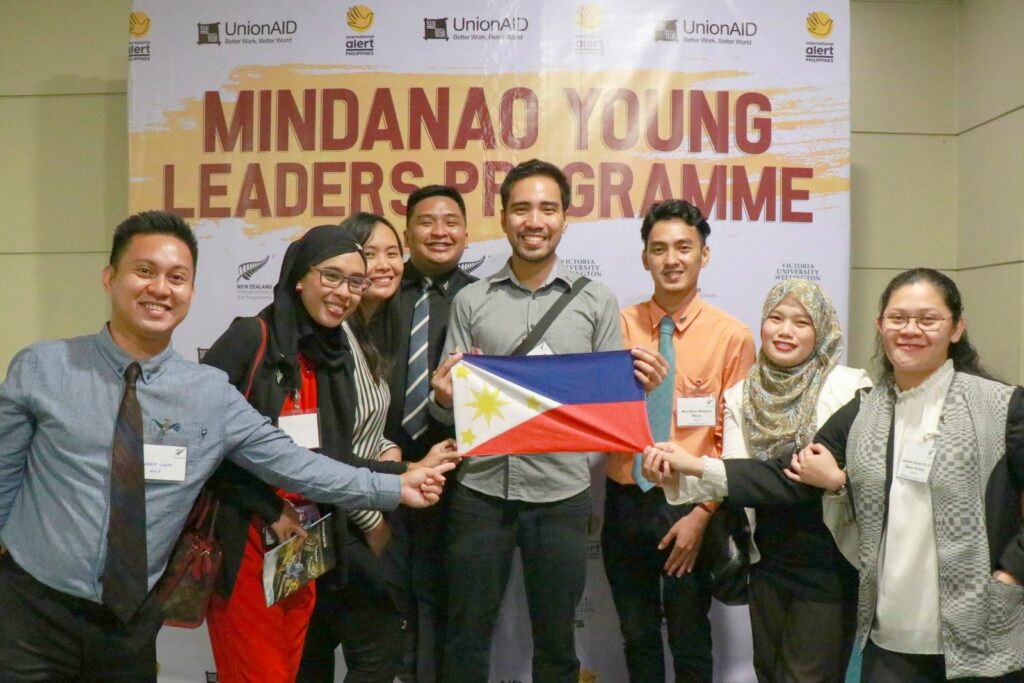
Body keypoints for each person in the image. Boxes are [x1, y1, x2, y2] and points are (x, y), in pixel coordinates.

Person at [0, 211, 453, 682]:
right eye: (144, 271)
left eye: (177, 277)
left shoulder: (209, 393)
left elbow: (296, 463)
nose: (161, 288)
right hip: (32, 610)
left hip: (130, 621)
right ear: (110, 277)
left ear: (192, 292)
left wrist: (395, 485)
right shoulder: (43, 368)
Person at [645, 268, 1024, 682]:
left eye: (928, 319)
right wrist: (693, 465)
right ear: (880, 326)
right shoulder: (866, 408)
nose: (910, 330)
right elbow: (787, 474)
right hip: (891, 630)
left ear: (956, 328)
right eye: (897, 318)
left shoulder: (1001, 407)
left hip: (978, 628)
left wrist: (1011, 571)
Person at [430, 159, 667, 683]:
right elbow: (447, 410)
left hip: (561, 495)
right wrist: (445, 399)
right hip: (480, 492)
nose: (533, 220)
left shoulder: (595, 300)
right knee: (466, 638)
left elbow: (606, 403)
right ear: (504, 217)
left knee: (558, 643)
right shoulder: (471, 300)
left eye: (547, 208)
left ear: (564, 218)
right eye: (521, 209)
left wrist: (637, 387)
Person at [203, 222, 456, 682]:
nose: (344, 292)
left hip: (305, 550)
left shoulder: (335, 354)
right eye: (332, 277)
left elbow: (332, 463)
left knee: (293, 670)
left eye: (355, 282)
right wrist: (268, 504)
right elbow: (198, 444)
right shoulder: (250, 339)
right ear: (300, 276)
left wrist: (406, 473)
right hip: (248, 541)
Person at [659, 278, 870, 682]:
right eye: (775, 318)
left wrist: (837, 478)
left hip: (828, 563)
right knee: (769, 673)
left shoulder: (850, 389)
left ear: (821, 332)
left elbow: (798, 476)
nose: (785, 331)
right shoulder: (742, 393)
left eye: (801, 322)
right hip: (767, 560)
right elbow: (741, 476)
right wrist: (673, 472)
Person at [298, 213, 460, 682]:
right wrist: (375, 523)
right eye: (370, 255)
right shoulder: (329, 337)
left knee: (371, 653)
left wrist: (403, 459)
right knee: (336, 652)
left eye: (394, 253)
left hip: (367, 506)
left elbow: (369, 429)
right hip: (336, 518)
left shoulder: (371, 329)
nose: (384, 265)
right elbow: (326, 445)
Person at [606, 199, 755, 682]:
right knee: (636, 634)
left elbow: (734, 441)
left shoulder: (732, 336)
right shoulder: (616, 328)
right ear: (645, 257)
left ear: (704, 255)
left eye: (683, 248)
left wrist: (700, 517)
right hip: (626, 498)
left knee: (690, 636)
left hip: (691, 505)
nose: (671, 259)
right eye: (659, 248)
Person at [384, 185, 475, 683]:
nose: (439, 231)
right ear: (407, 233)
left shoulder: (482, 299)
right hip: (384, 468)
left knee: (447, 598)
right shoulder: (377, 295)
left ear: (466, 232)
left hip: (457, 472)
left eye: (450, 221)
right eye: (426, 221)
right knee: (389, 592)